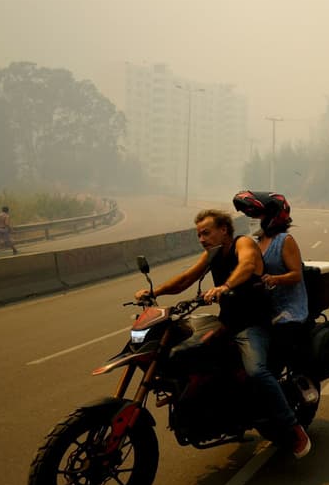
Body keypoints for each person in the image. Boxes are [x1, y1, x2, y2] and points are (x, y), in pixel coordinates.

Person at [133, 208, 310, 458]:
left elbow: (248, 265)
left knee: (257, 371)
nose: (202, 239)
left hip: (252, 324)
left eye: (206, 233)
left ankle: (293, 427)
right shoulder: (213, 254)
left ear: (224, 230)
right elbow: (186, 278)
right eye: (199, 235)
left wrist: (225, 286)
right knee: (188, 354)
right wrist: (155, 293)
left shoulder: (244, 243)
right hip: (226, 323)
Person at [232, 191, 309, 327]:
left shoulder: (284, 240)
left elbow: (296, 275)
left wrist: (275, 279)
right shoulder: (255, 244)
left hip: (288, 311)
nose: (252, 220)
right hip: (266, 310)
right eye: (250, 216)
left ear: (272, 217)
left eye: (256, 215)